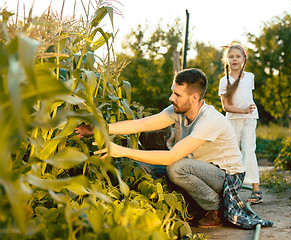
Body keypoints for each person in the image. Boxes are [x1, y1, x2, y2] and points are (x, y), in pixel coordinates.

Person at [76, 68, 247, 228]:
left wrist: (120, 151)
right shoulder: (178, 110)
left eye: (177, 94)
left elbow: (171, 157)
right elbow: (140, 124)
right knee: (144, 167)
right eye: (173, 91)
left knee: (176, 168)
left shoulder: (209, 120)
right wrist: (97, 128)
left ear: (194, 98)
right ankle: (191, 204)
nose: (171, 98)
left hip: (227, 176)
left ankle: (216, 208)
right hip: (201, 170)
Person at [218, 43, 262, 204]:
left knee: (249, 150)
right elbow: (226, 106)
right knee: (232, 153)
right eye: (231, 56)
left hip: (250, 119)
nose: (234, 59)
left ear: (244, 59)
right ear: (226, 60)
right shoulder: (224, 81)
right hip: (232, 119)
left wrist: (246, 112)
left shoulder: (250, 77)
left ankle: (256, 189)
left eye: (238, 56)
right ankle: (232, 189)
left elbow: (247, 98)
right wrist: (242, 110)